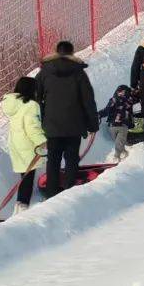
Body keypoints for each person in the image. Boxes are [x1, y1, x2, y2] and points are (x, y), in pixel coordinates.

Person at [35, 41, 99, 198]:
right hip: (74, 125)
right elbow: (88, 100)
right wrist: (93, 124)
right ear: (72, 53)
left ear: (56, 52)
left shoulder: (44, 73)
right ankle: (70, 194)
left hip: (52, 125)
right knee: (71, 160)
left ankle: (51, 194)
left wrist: (42, 118)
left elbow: (35, 98)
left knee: (53, 160)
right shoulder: (79, 73)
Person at [2, 76, 46, 215]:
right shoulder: (31, 105)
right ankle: (22, 207)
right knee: (28, 177)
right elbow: (32, 126)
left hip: (16, 143)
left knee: (25, 175)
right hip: (28, 144)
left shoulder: (15, 104)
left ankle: (20, 205)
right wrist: (41, 141)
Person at [99, 84, 136, 162]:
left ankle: (119, 154)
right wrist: (131, 124)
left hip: (112, 126)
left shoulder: (113, 99)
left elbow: (106, 110)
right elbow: (130, 114)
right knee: (120, 142)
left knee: (118, 142)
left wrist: (99, 114)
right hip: (123, 126)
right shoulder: (129, 101)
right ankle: (119, 155)